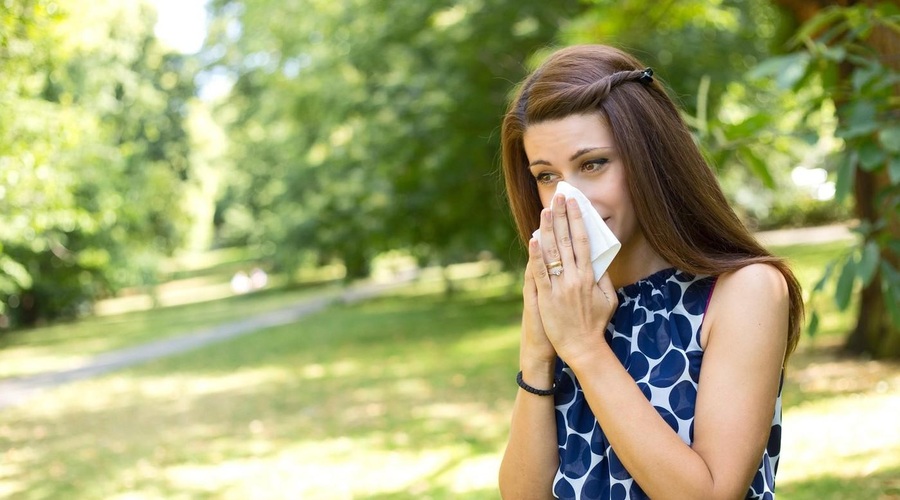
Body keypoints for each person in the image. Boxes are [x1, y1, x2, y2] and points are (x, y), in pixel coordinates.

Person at [497, 44, 804, 500]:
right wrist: (538, 356)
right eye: (547, 176)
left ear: (650, 159)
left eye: (592, 164)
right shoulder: (571, 299)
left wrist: (583, 347)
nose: (567, 199)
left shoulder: (744, 291)